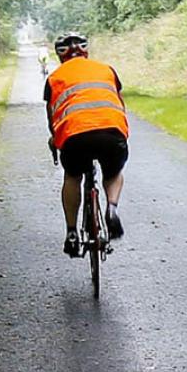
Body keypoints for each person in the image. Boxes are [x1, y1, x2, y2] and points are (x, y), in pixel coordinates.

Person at [44, 32, 128, 257]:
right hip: (112, 131)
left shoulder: (54, 78)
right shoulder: (106, 70)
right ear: (86, 51)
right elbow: (119, 103)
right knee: (113, 172)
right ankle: (111, 208)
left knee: (73, 176)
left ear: (60, 55)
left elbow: (53, 119)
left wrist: (55, 141)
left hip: (75, 136)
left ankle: (72, 232)